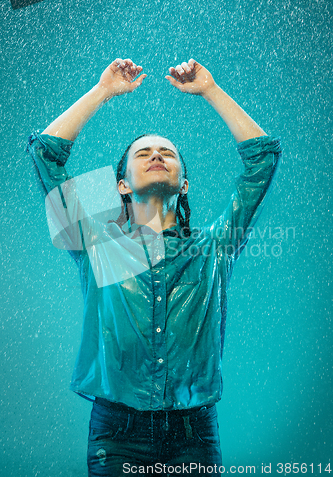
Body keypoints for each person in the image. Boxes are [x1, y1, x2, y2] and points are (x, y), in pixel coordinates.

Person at [26, 58, 282, 476]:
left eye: (167, 152)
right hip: (116, 432)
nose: (156, 155)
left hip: (194, 434)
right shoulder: (98, 243)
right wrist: (102, 91)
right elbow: (45, 154)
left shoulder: (214, 246)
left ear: (184, 184)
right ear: (121, 185)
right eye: (143, 153)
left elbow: (263, 161)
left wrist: (211, 90)